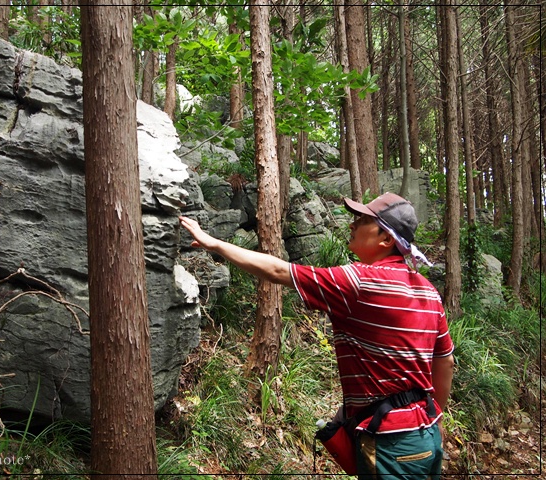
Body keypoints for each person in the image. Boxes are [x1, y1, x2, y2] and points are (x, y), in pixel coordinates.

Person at [179, 192, 454, 479]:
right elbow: (445, 363)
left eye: (362, 220)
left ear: (385, 239)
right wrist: (433, 418)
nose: (352, 225)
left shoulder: (359, 281)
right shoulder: (428, 291)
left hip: (391, 443)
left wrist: (214, 243)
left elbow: (275, 270)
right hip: (427, 436)